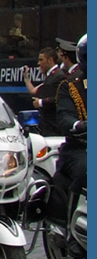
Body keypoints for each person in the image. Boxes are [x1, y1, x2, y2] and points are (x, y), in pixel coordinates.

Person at [48, 34, 86, 239]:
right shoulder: (70, 86)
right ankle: (71, 231)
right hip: (80, 146)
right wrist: (78, 124)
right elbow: (64, 117)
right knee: (86, 170)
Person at [23, 47, 65, 137]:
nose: (39, 63)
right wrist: (26, 77)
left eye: (41, 60)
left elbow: (61, 99)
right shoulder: (50, 77)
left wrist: (41, 102)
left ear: (50, 60)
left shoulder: (59, 76)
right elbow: (34, 92)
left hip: (54, 128)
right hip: (47, 127)